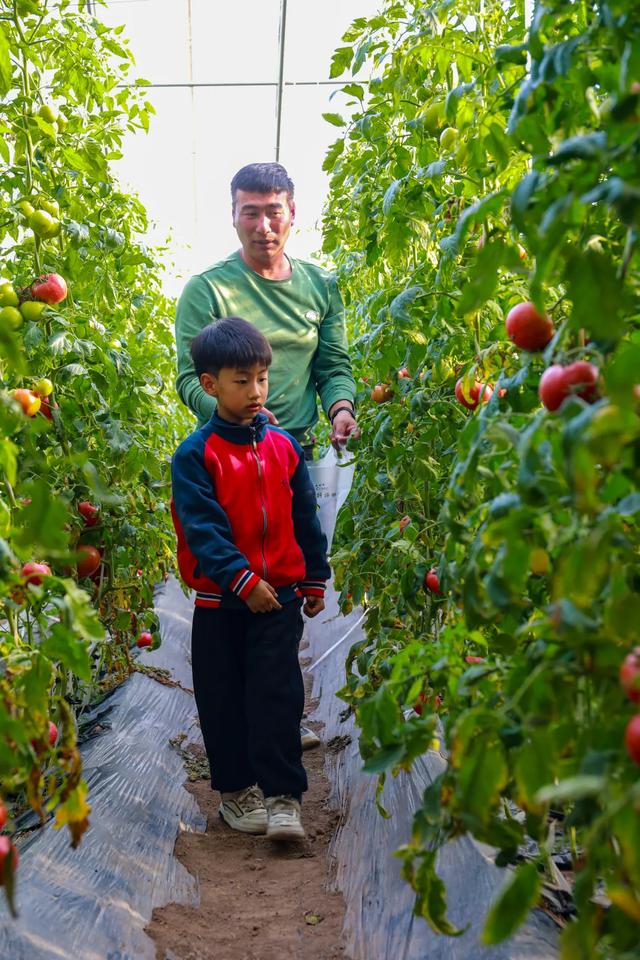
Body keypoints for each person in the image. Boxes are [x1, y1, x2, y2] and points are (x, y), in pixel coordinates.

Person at [175, 161, 358, 749]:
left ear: (293, 214)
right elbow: (187, 378)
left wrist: (339, 408)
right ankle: (251, 721)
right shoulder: (207, 290)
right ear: (232, 216)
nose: (262, 224)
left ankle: (277, 713)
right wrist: (238, 422)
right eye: (249, 211)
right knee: (239, 578)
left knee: (286, 578)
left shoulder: (319, 286)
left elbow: (333, 364)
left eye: (273, 210)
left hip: (296, 458)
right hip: (228, 460)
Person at [170, 317, 330, 841]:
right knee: (223, 699)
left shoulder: (284, 447)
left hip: (278, 598)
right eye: (242, 380)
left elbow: (303, 516)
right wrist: (241, 580)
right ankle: (237, 794)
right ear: (210, 384)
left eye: (262, 377)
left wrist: (312, 578)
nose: (256, 390)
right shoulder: (196, 455)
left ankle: (284, 798)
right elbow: (202, 529)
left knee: (277, 694)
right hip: (221, 601)